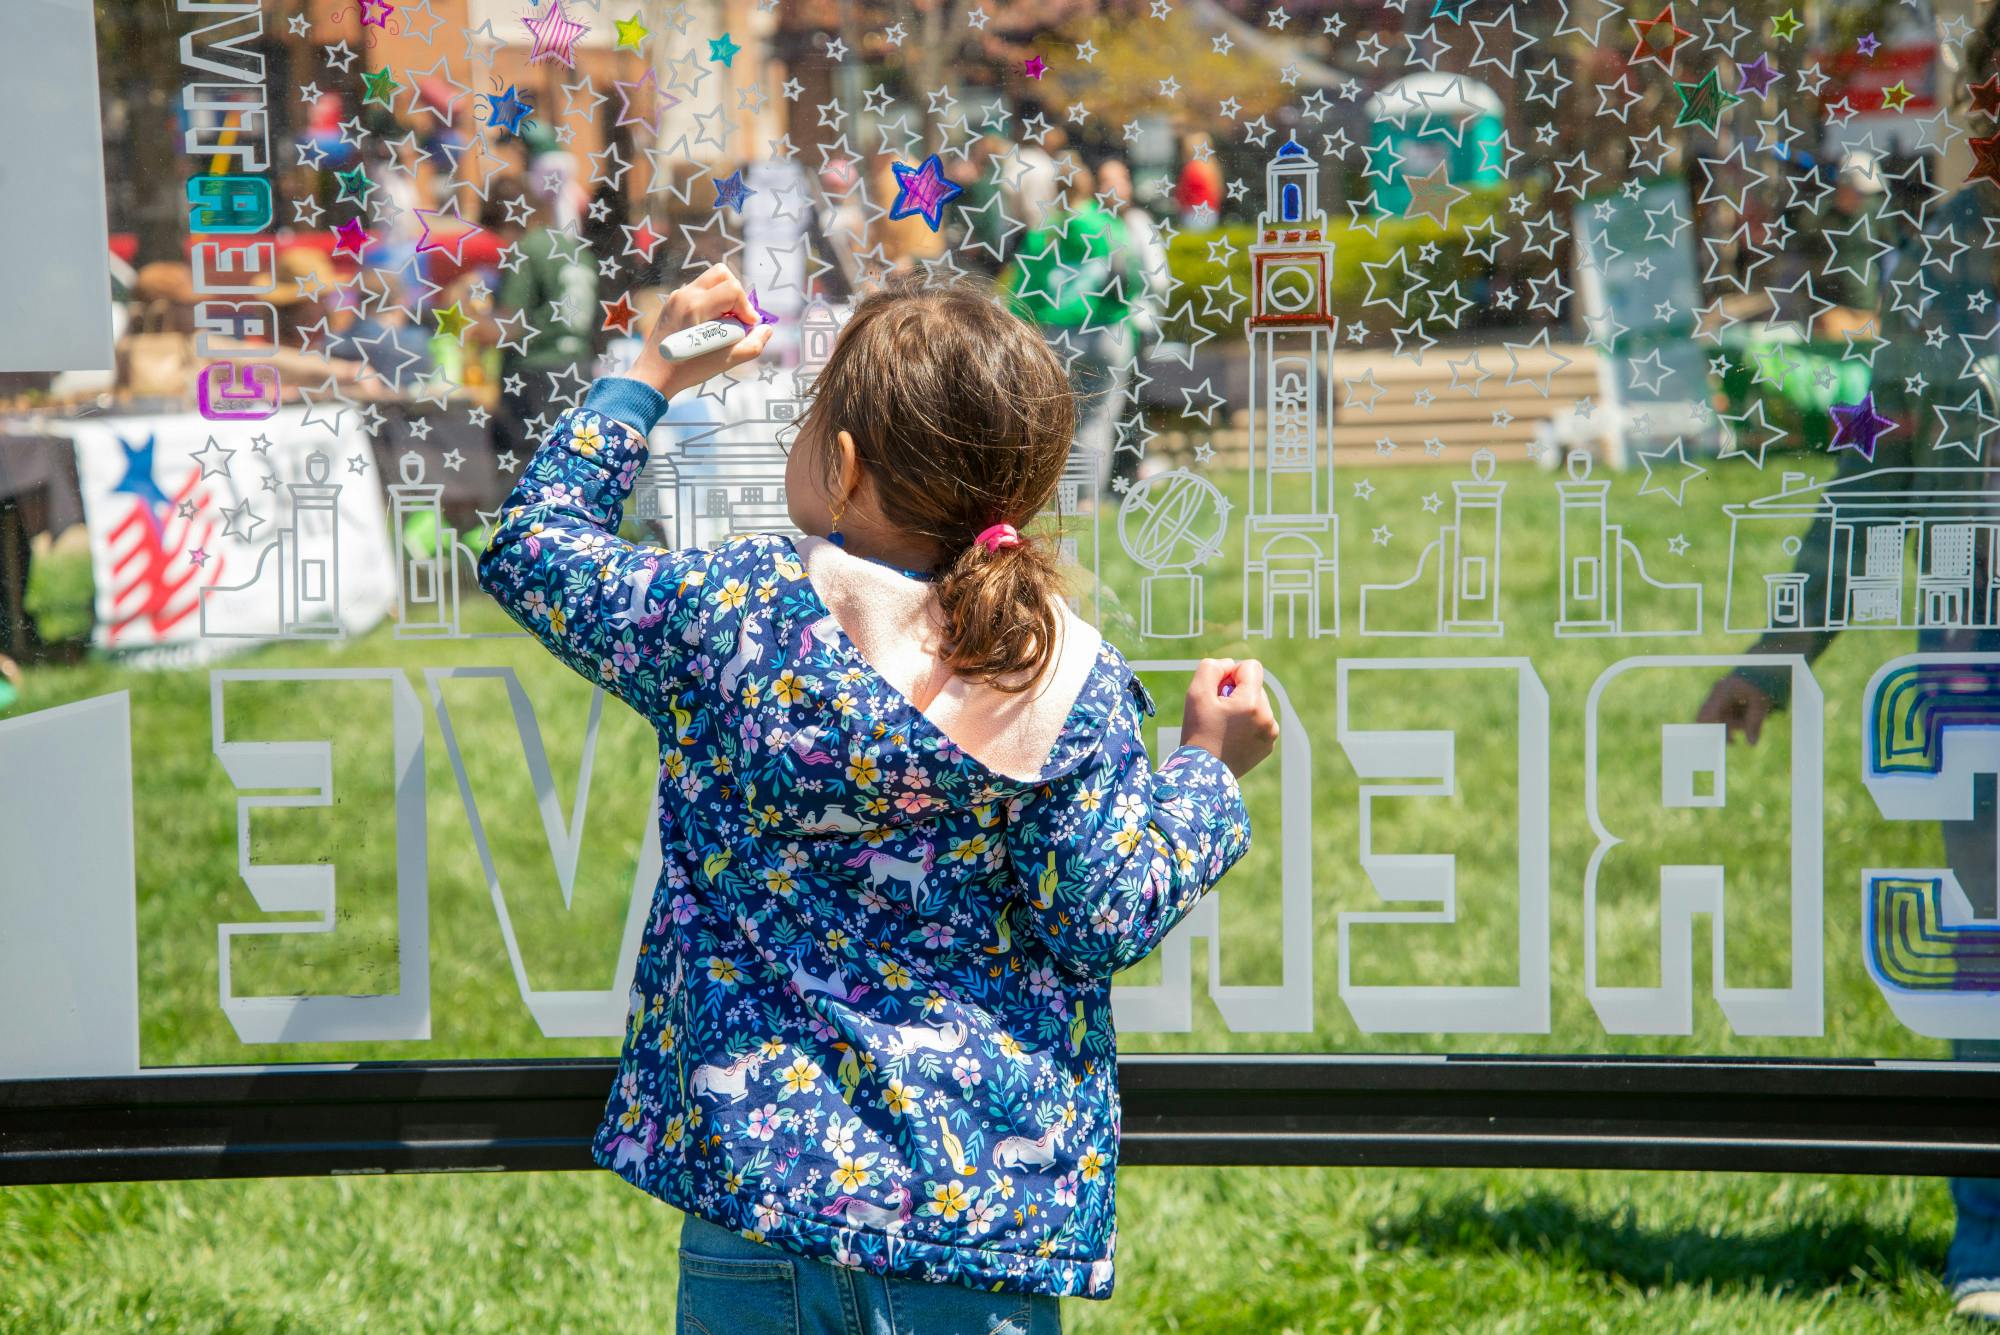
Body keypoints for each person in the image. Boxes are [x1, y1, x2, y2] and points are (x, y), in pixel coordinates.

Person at [475, 266, 1274, 1331]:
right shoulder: (1061, 679)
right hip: (975, 1234)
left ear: (841, 466)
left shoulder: (731, 619)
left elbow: (535, 549)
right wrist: (1205, 773)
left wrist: (651, 373)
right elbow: (1098, 914)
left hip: (758, 1207)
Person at [1695, 154, 2000, 1321]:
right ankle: (1988, 1239)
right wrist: (1772, 658)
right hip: (1979, 668)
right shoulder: (1939, 270)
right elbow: (1873, 478)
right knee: (1988, 972)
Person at [1002, 157, 1144, 495]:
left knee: (1062, 422)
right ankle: (1087, 500)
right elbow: (1132, 279)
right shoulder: (1107, 225)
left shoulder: (1042, 234)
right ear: (1089, 187)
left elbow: (1021, 296)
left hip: (1058, 337)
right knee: (1099, 419)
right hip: (1109, 332)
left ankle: (1062, 495)